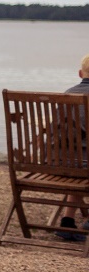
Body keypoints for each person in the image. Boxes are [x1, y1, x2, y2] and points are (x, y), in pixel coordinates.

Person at [55, 53, 89, 241]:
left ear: (80, 73)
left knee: (77, 160)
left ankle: (67, 221)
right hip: (83, 165)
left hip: (59, 163)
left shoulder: (67, 94)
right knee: (82, 163)